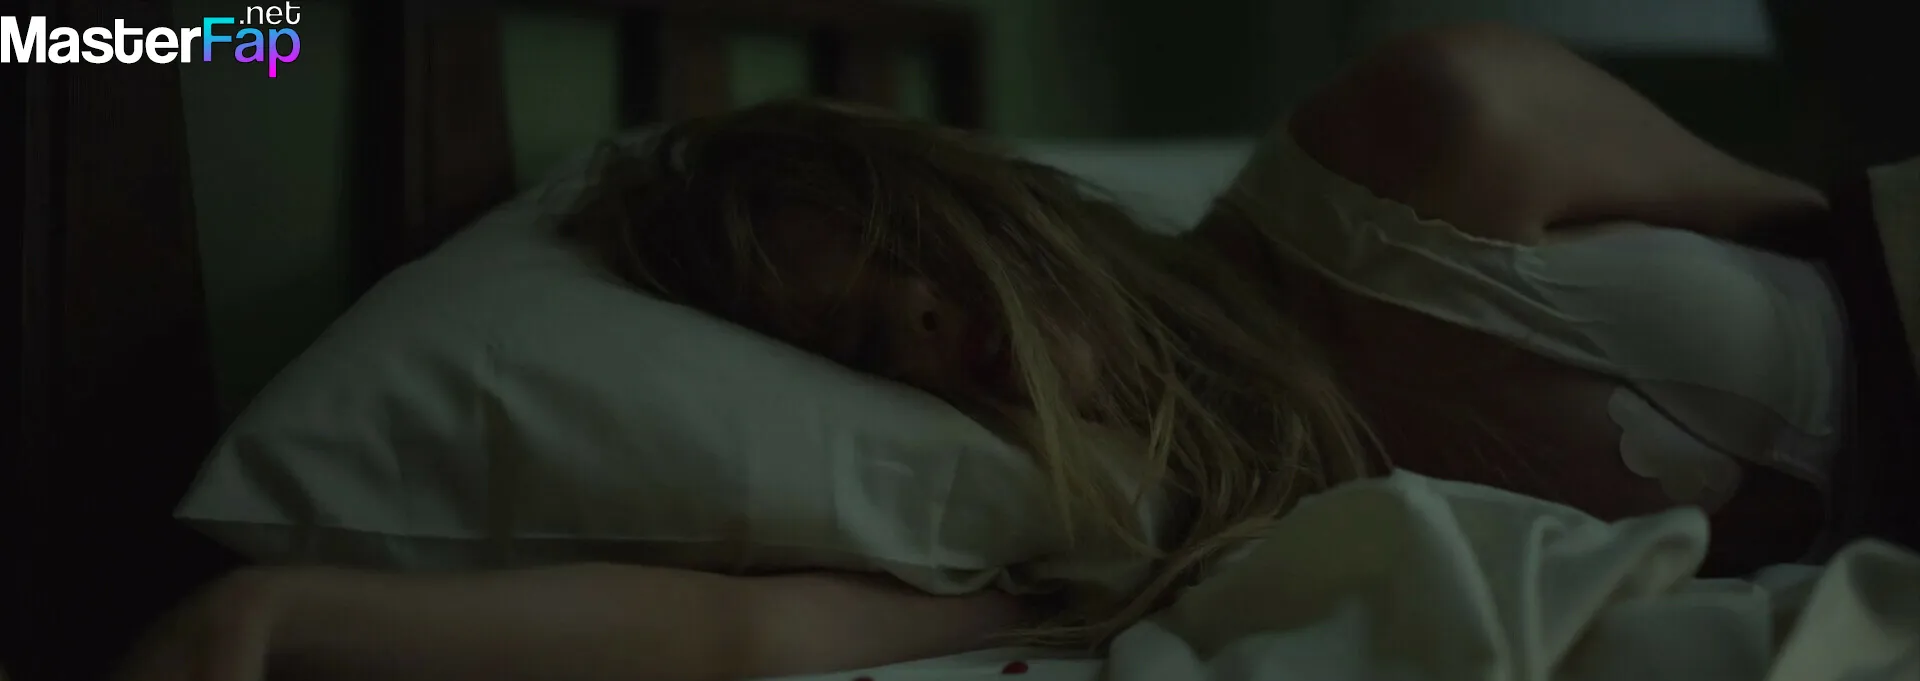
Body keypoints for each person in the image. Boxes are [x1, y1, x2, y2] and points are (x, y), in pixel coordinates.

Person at [117, 23, 1848, 681]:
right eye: (868, 345)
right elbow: (747, 635)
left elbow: (1848, 226)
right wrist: (283, 612)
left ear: (999, 203)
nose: (934, 336)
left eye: (917, 269)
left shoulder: (1426, 133)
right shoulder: (1115, 532)